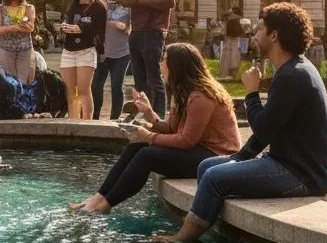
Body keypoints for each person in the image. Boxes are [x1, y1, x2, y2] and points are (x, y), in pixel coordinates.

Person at [153, 3, 327, 243]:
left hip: (302, 175)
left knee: (213, 178)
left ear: (274, 35)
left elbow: (262, 128)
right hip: (288, 163)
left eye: (259, 29)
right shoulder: (292, 70)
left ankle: (183, 238)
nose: (255, 35)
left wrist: (250, 93)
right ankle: (220, 232)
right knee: (206, 166)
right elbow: (269, 129)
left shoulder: (292, 75)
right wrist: (241, 157)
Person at [69, 42, 239, 213]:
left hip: (217, 157)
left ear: (177, 66)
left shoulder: (201, 96)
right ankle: (99, 197)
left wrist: (149, 136)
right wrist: (149, 112)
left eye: (165, 60)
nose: (161, 65)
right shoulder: (184, 92)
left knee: (146, 155)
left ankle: (105, 205)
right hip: (200, 150)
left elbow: (186, 141)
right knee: (135, 147)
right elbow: (172, 129)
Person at [112, 0, 174, 118]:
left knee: (154, 79)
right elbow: (139, 0)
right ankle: (144, 117)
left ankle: (160, 119)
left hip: (153, 32)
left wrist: (136, 1)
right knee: (140, 82)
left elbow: (169, 2)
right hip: (137, 32)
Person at [58, 0, 106, 120]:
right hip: (69, 50)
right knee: (71, 91)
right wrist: (65, 27)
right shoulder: (73, 4)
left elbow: (99, 30)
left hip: (86, 50)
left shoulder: (98, 6)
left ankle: (87, 122)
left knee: (84, 90)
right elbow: (70, 21)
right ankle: (74, 120)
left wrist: (81, 29)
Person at [91, 0, 131, 119]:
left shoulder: (125, 2)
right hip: (102, 51)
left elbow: (128, 27)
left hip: (122, 51)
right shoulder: (98, 3)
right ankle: (94, 117)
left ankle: (114, 119)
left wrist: (123, 25)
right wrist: (102, 3)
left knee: (116, 86)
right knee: (96, 86)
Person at [0, 0, 37, 84]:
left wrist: (8, 28)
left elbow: (30, 28)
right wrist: (18, 27)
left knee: (23, 83)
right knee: (10, 84)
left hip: (25, 51)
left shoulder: (29, 8)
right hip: (6, 51)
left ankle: (23, 101)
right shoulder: (0, 8)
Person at [219, 6, 243, 79]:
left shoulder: (228, 19)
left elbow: (224, 30)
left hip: (229, 39)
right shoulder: (240, 19)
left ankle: (225, 74)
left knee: (227, 57)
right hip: (235, 39)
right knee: (234, 56)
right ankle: (232, 73)